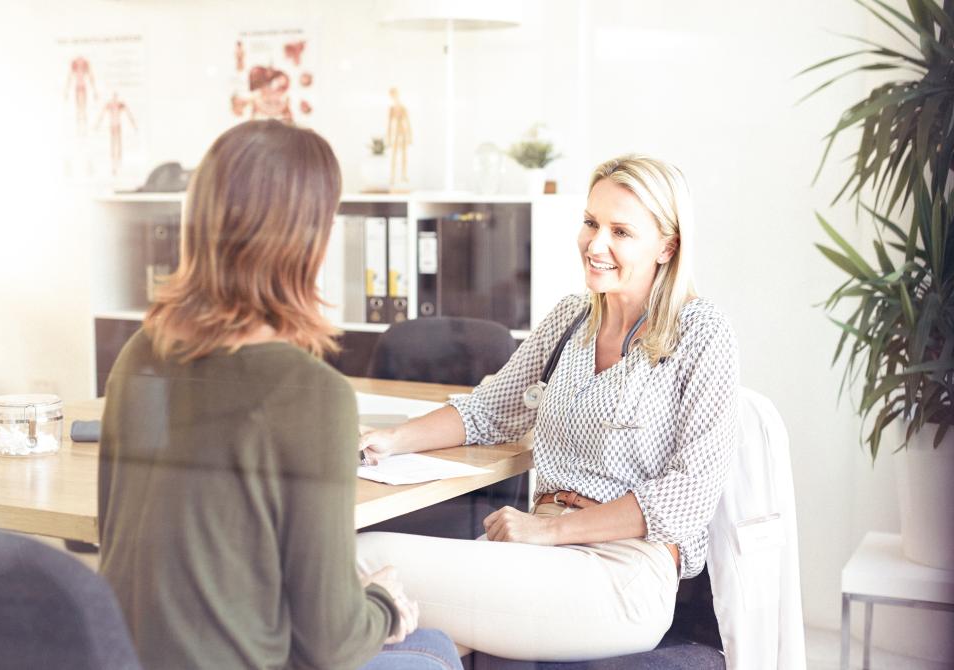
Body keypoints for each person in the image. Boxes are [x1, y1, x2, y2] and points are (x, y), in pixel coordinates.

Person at [98, 119, 461, 670]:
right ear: (306, 238)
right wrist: (384, 606)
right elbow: (330, 644)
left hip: (127, 657)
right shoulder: (309, 394)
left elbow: (128, 537)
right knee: (433, 649)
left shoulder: (141, 355)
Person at [356, 155, 739, 662]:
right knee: (394, 638)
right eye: (591, 223)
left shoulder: (702, 333)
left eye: (621, 232)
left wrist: (550, 529)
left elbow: (687, 499)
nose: (595, 244)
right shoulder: (571, 319)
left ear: (667, 246)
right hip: (540, 554)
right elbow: (488, 411)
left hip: (622, 575)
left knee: (364, 561)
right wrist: (387, 440)